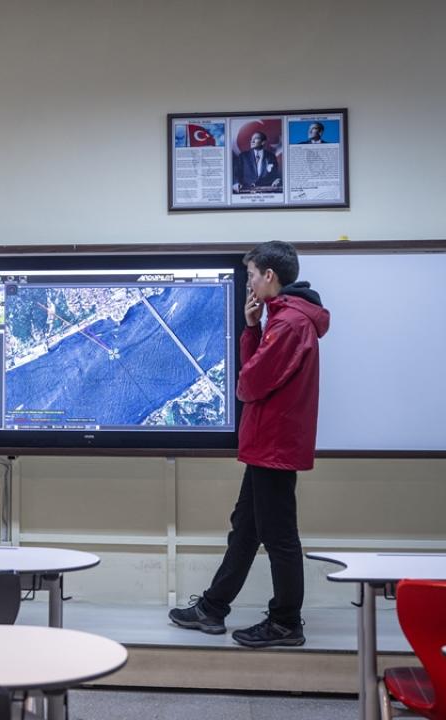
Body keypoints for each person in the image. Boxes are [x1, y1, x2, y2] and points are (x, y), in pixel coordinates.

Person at [168, 241, 330, 648]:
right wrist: (252, 327)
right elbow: (255, 375)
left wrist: (254, 342)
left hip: (274, 447)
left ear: (270, 275)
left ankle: (285, 623)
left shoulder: (290, 324)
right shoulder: (282, 318)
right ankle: (213, 607)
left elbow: (249, 384)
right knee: (246, 530)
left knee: (279, 537)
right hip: (267, 445)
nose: (250, 283)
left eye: (253, 275)